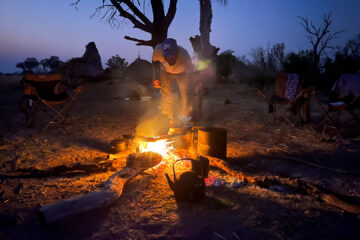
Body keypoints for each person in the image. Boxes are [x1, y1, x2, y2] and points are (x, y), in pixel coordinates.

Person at [152, 38, 194, 128]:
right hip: (165, 72)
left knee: (186, 94)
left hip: (182, 73)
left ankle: (184, 119)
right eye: (166, 57)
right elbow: (154, 61)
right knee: (166, 95)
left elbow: (190, 73)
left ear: (177, 52)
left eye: (171, 56)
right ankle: (167, 120)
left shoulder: (184, 55)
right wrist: (155, 76)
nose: (168, 59)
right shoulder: (158, 51)